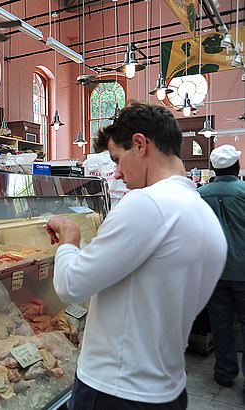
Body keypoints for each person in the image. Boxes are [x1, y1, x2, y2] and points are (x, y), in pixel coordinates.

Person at [44, 102, 227, 409]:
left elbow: (70, 285)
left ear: (140, 144)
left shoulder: (146, 204)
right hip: (168, 389)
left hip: (115, 391)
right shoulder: (202, 214)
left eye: (117, 159)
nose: (116, 173)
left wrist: (69, 240)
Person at [197, 145, 245, 397]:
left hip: (214, 271)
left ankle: (225, 372)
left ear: (214, 169)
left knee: (220, 323)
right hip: (243, 270)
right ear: (237, 167)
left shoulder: (200, 194)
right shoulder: (243, 191)